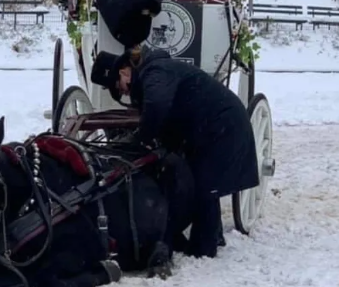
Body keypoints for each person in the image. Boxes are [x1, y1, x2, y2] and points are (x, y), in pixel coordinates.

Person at [90, 45, 259, 259]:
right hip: (209, 126)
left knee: (205, 185)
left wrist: (139, 138)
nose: (122, 91)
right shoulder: (155, 70)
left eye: (118, 85)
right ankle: (212, 237)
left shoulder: (155, 71)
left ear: (124, 71)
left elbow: (157, 106)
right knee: (203, 183)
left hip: (221, 126)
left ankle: (203, 248)